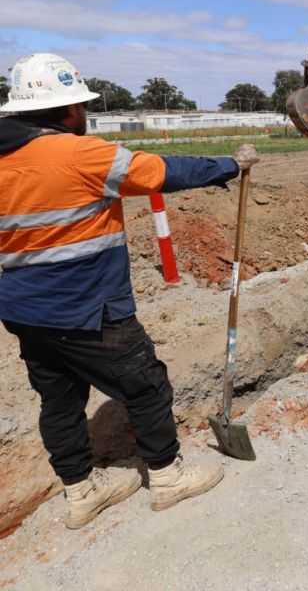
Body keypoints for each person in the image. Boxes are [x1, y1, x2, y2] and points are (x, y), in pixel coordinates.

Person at [0, 53, 261, 529]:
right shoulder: (79, 153)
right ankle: (166, 477)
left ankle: (81, 492)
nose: (83, 115)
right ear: (67, 110)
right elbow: (161, 172)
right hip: (89, 306)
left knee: (59, 400)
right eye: (80, 106)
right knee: (145, 385)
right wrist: (230, 163)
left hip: (24, 308)